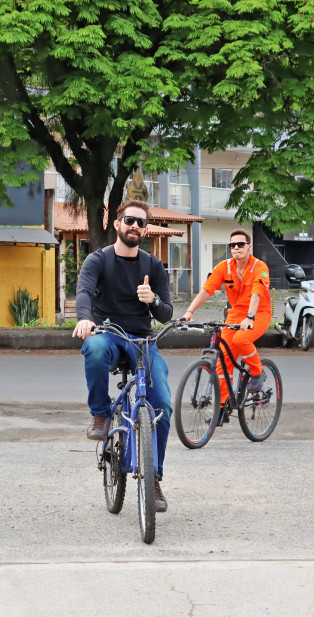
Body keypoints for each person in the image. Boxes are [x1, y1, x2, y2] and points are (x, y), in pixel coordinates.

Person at [72, 200, 173, 512]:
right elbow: (85, 292)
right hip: (109, 333)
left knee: (164, 406)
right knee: (95, 347)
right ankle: (100, 414)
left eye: (141, 223)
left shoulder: (153, 267)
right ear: (117, 224)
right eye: (130, 220)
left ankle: (153, 476)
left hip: (142, 340)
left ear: (145, 230)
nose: (135, 226)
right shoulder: (98, 260)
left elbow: (166, 314)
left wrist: (153, 300)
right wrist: (85, 318)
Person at [181, 229, 271, 412]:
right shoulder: (224, 267)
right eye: (232, 245)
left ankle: (258, 372)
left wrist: (250, 317)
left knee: (241, 339)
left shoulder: (259, 267)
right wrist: (189, 311)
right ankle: (223, 404)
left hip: (259, 313)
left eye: (240, 244)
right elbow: (207, 290)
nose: (236, 248)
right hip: (235, 315)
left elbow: (257, 293)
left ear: (249, 247)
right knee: (223, 361)